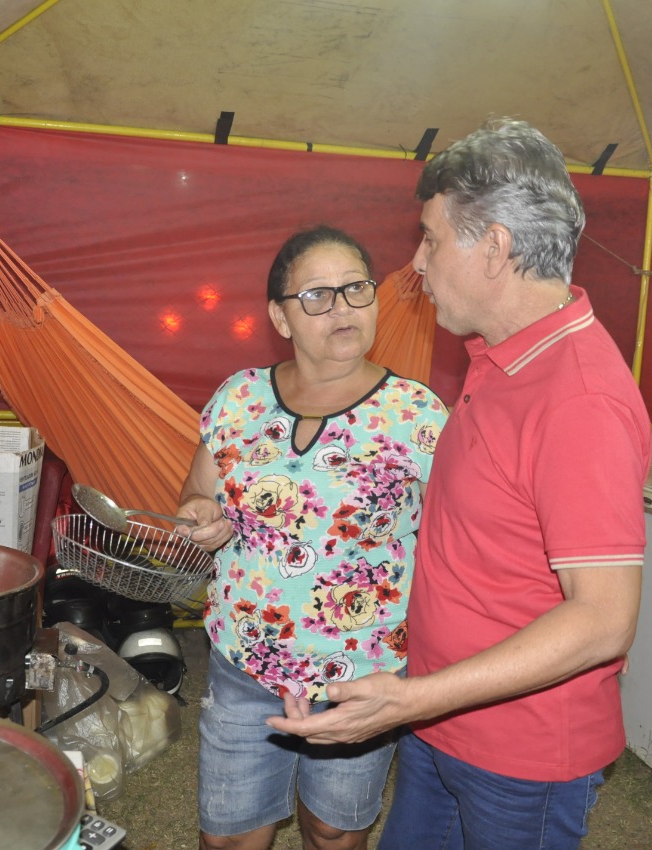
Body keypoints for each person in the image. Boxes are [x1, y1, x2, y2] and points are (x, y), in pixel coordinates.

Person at [266, 118, 652, 850]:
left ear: (496, 248)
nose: (415, 262)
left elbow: (603, 620)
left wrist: (409, 700)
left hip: (519, 757)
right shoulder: (500, 356)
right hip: (444, 725)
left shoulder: (578, 399)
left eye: (432, 239)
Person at [175, 225, 450, 850]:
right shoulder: (239, 398)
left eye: (356, 290)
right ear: (279, 316)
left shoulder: (418, 416)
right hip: (245, 662)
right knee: (229, 837)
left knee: (332, 829)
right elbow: (196, 495)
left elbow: (453, 551)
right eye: (318, 296)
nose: (343, 309)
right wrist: (198, 517)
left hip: (362, 676)